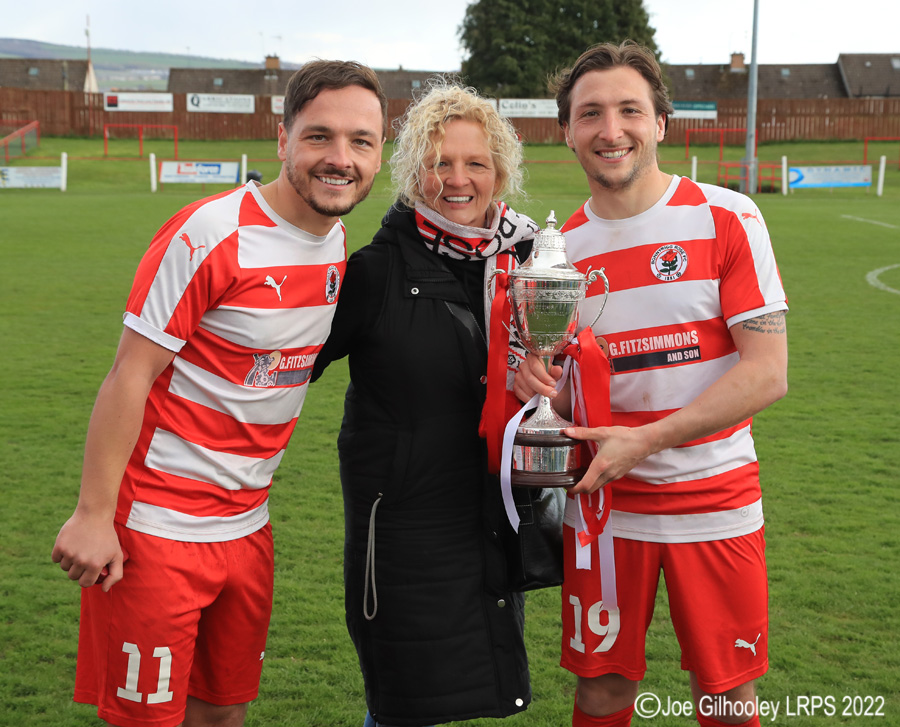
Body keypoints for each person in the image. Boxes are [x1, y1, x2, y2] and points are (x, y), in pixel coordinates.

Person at [50, 60, 387, 727]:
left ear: (381, 152)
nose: (339, 158)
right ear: (282, 137)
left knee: (223, 713)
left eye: (361, 141)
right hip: (156, 531)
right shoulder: (209, 234)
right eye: (319, 136)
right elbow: (130, 373)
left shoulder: (336, 241)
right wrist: (93, 513)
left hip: (249, 527)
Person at [515, 41, 788, 727]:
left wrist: (643, 442)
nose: (612, 130)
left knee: (725, 697)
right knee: (601, 693)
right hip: (606, 511)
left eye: (630, 110)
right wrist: (542, 390)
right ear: (567, 131)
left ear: (661, 123)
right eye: (591, 114)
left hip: (717, 502)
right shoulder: (556, 254)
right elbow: (573, 392)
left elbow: (766, 373)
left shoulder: (728, 217)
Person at [311, 82, 539, 727]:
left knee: (471, 689)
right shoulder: (377, 269)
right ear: (413, 171)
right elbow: (288, 368)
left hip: (489, 520)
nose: (459, 180)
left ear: (501, 173)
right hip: (405, 529)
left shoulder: (525, 264)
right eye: (440, 162)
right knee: (406, 703)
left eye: (477, 164)